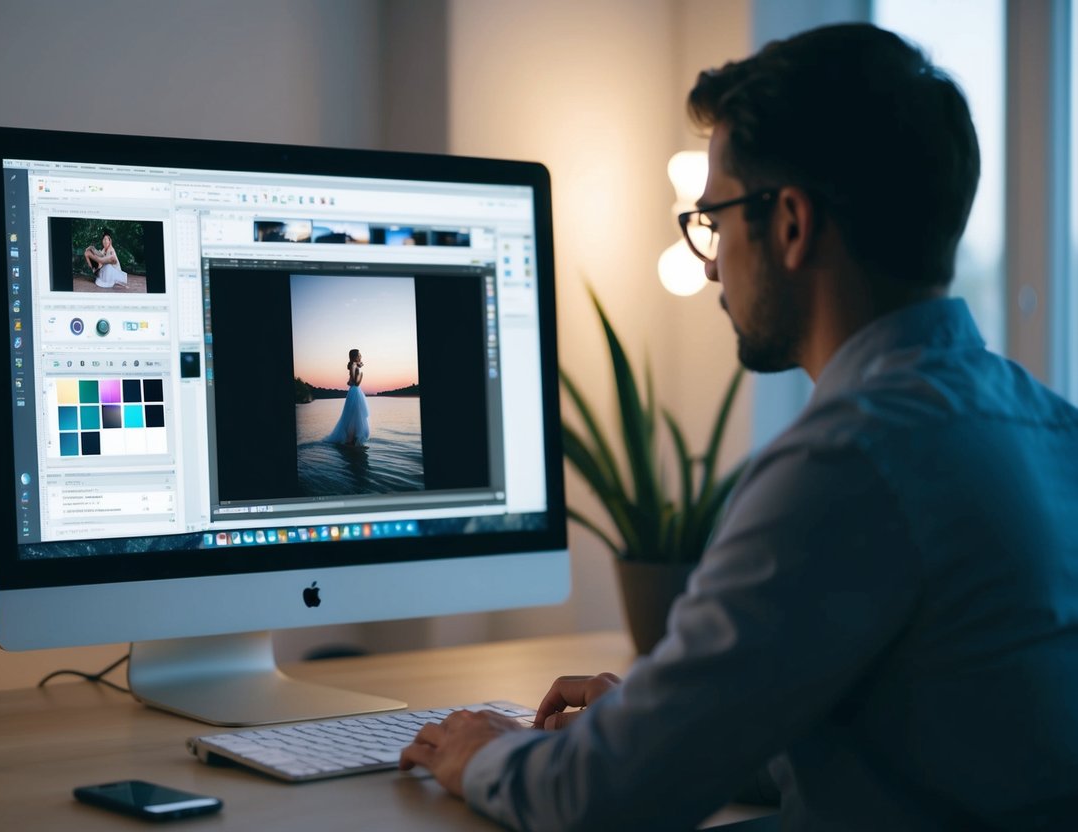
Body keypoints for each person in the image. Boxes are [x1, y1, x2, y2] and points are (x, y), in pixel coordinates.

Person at [400, 22, 1078, 831]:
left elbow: (603, 801)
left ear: (789, 224)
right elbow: (922, 743)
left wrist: (481, 751)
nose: (712, 262)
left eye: (714, 219)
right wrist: (664, 725)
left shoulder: (851, 460)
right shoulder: (1042, 427)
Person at [325, 349, 370, 445]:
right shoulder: (353, 365)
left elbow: (349, 381)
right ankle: (350, 440)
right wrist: (361, 375)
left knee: (354, 415)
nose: (361, 356)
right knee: (355, 415)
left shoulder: (353, 365)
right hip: (355, 391)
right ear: (355, 356)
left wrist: (358, 367)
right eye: (359, 355)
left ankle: (352, 438)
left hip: (354, 391)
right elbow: (355, 382)